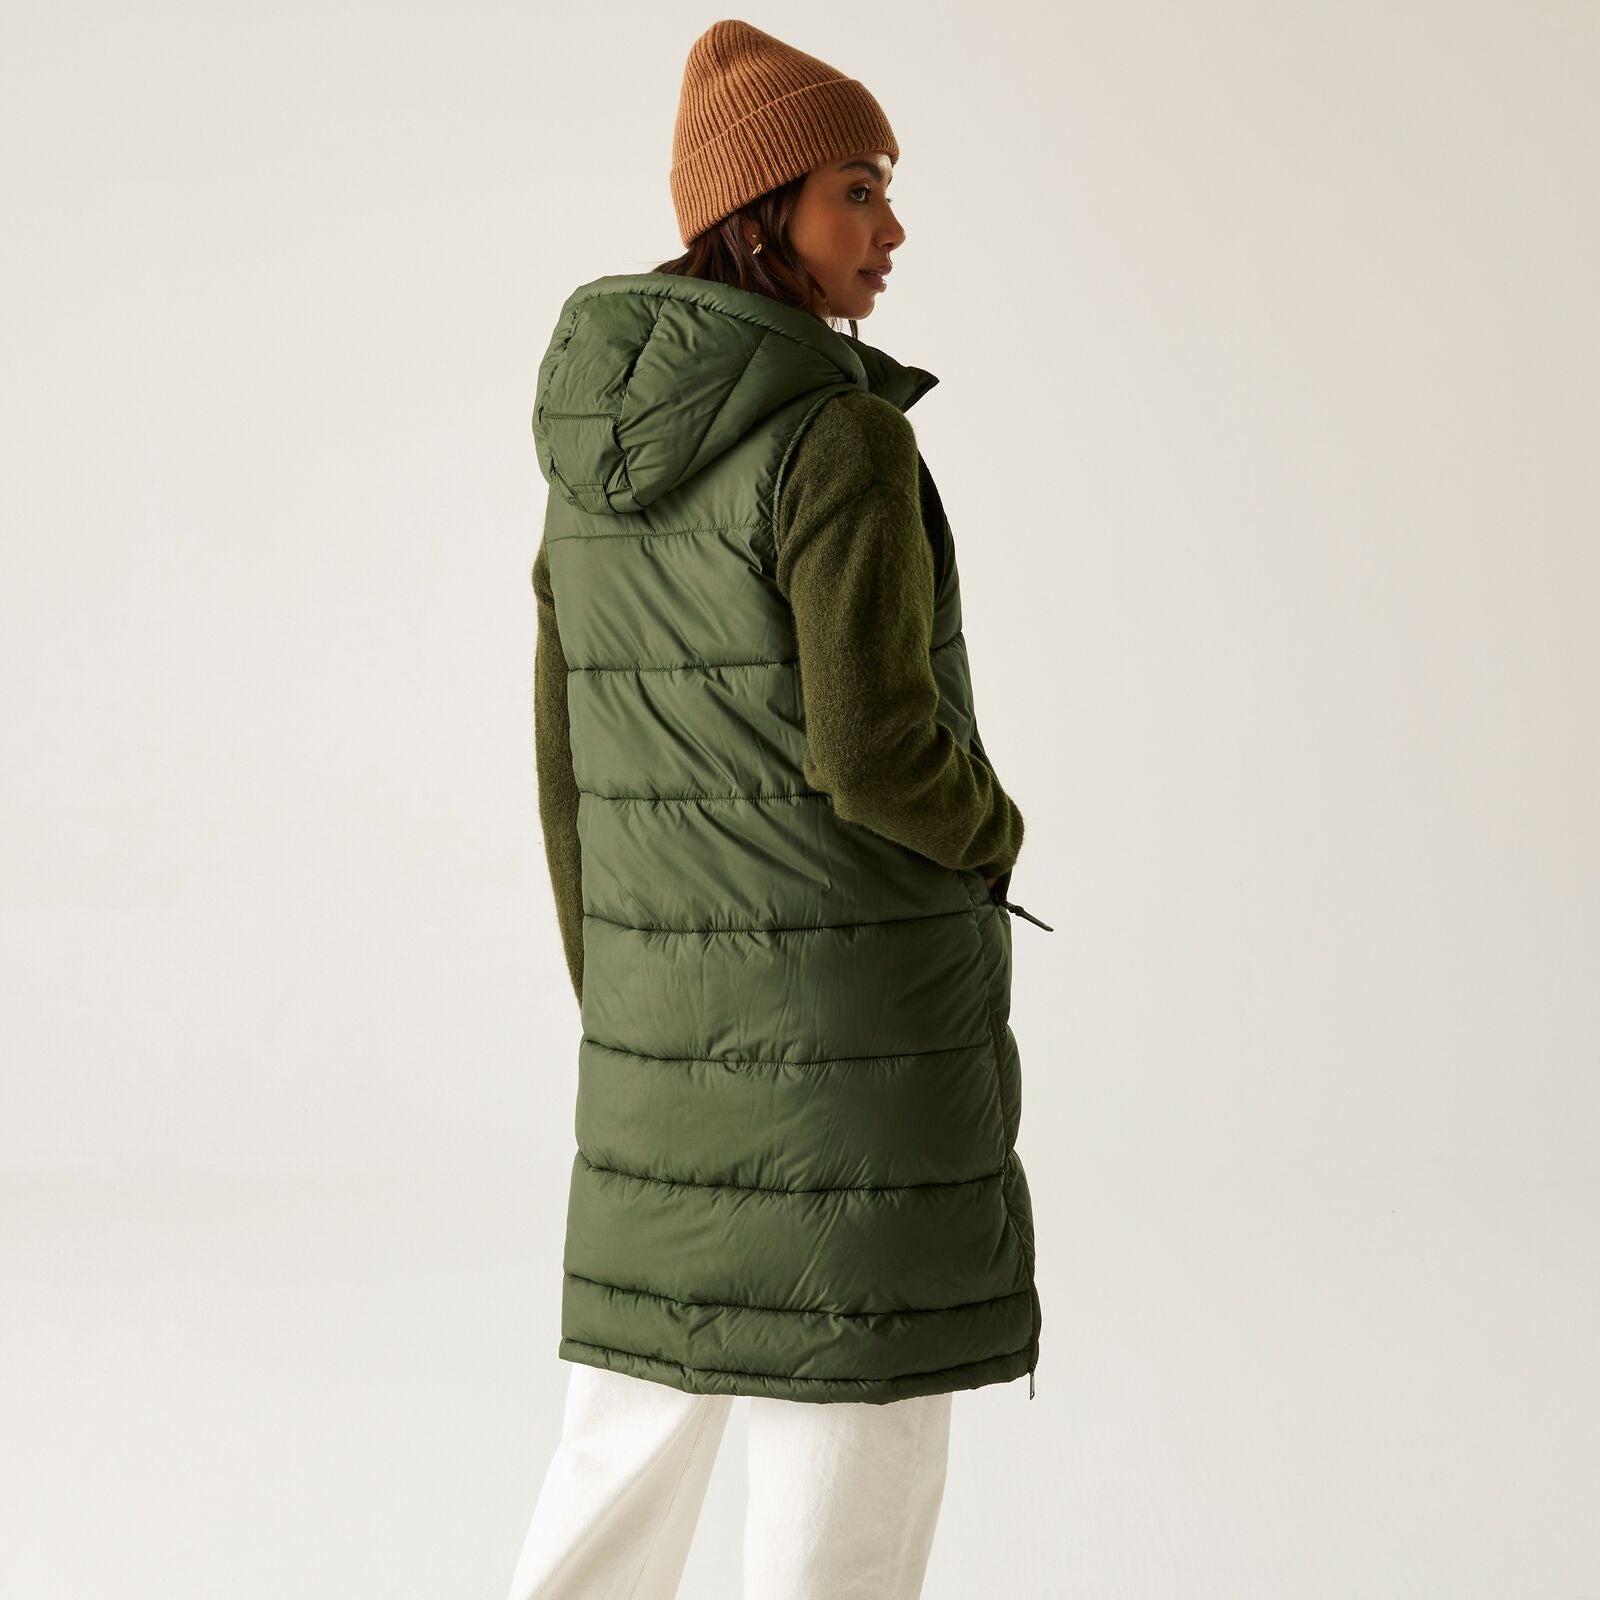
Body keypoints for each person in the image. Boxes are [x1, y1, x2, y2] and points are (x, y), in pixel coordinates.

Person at [506, 18, 1052, 1599]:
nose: (892, 229)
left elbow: (562, 765)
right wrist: (997, 834)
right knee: (850, 1430)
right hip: (850, 1056)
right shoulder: (837, 434)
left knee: (622, 1444)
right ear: (762, 213)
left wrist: (627, 995)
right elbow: (878, 751)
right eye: (856, 190)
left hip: (661, 1048)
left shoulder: (587, 469)